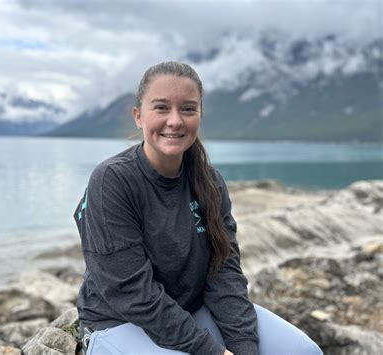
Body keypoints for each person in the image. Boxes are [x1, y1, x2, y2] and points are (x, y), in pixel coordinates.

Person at [74, 61, 323, 355]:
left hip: (191, 311)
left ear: (200, 116)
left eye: (188, 109)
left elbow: (224, 273)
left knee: (305, 351)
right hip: (120, 323)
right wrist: (212, 350)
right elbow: (132, 293)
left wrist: (244, 347)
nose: (175, 120)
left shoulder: (209, 181)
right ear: (139, 117)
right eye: (162, 108)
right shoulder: (112, 180)